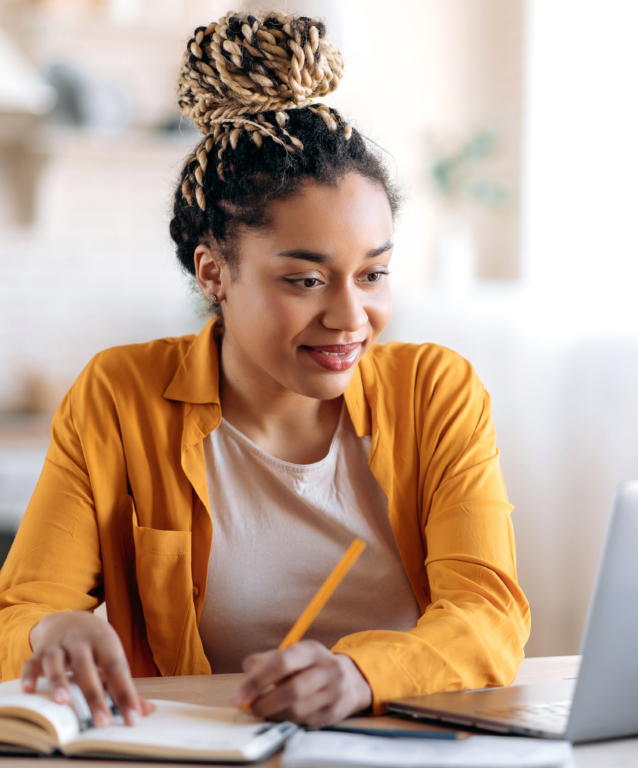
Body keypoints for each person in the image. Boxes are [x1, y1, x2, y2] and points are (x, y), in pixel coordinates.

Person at [0, 11, 530, 729]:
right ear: (213, 272)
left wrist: (357, 675)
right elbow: (23, 608)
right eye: (305, 281)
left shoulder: (436, 391)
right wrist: (49, 632)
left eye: (373, 274)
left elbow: (489, 614)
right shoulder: (120, 396)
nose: (350, 317)